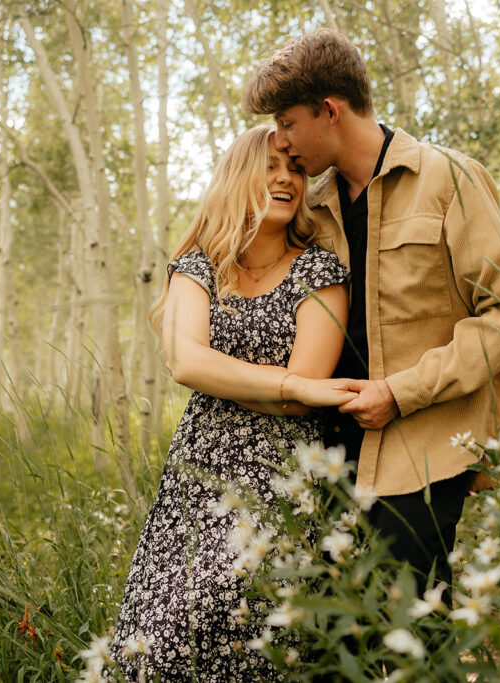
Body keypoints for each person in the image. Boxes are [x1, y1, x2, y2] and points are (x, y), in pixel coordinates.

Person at [242, 29, 500, 601]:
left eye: (287, 122)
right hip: (327, 451)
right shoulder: (312, 204)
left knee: (415, 628)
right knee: (335, 639)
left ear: (329, 110)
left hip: (422, 448)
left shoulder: (448, 178)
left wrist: (400, 393)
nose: (279, 141)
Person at [109, 124, 356, 681]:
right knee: (162, 637)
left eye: (295, 168)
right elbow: (187, 363)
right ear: (237, 174)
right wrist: (289, 385)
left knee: (255, 630)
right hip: (196, 478)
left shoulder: (320, 271)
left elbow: (305, 392)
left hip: (283, 476)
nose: (285, 178)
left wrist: (269, 386)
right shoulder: (198, 264)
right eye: (270, 165)